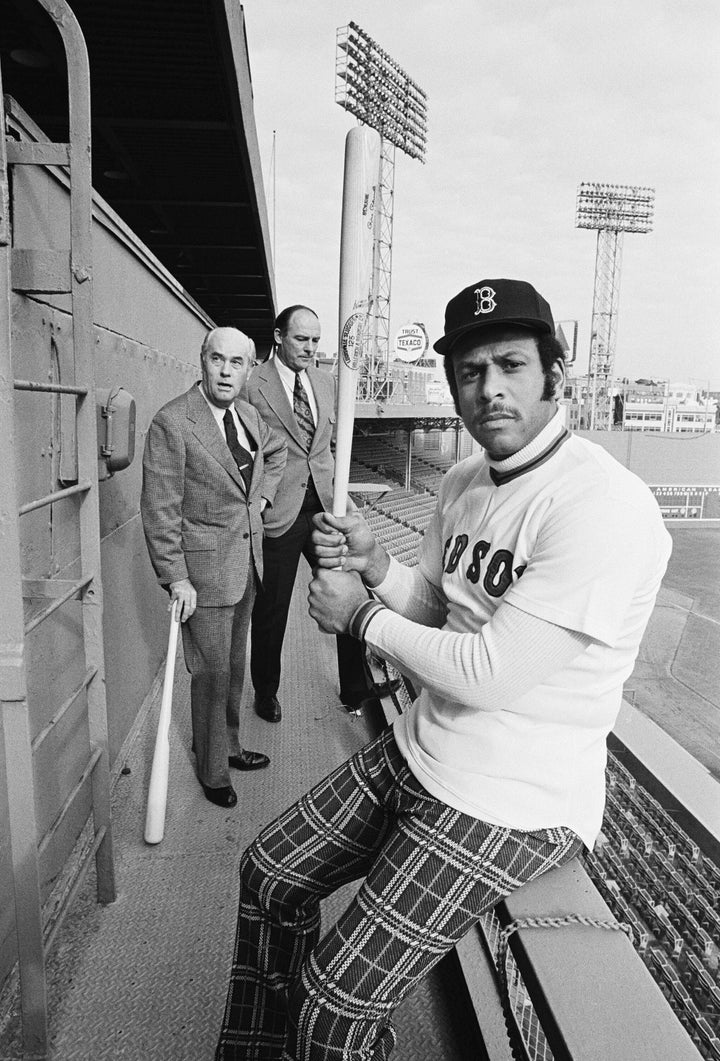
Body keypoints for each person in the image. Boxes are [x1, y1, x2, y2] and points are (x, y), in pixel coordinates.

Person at [215, 279, 671, 1059]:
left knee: (333, 1007)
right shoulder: (463, 482)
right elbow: (435, 604)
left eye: (511, 365)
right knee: (270, 873)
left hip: (513, 795)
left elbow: (490, 672)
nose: (489, 387)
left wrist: (360, 616)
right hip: (427, 745)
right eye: (469, 370)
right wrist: (377, 567)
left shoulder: (602, 505)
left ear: (554, 374)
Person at [141, 327, 287, 808]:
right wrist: (176, 577)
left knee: (233, 665)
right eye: (217, 360)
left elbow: (276, 454)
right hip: (202, 575)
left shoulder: (247, 414)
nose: (226, 372)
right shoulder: (173, 422)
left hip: (246, 564)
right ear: (202, 360)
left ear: (249, 368)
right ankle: (212, 771)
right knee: (209, 672)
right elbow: (161, 509)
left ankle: (227, 746)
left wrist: (262, 496)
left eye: (237, 363)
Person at [246, 304, 394, 723]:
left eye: (316, 340)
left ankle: (355, 687)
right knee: (270, 608)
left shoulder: (327, 383)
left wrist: (342, 498)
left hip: (325, 505)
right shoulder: (253, 384)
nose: (311, 348)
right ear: (278, 337)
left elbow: (326, 449)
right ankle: (266, 692)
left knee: (348, 590)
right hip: (281, 509)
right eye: (301, 339)